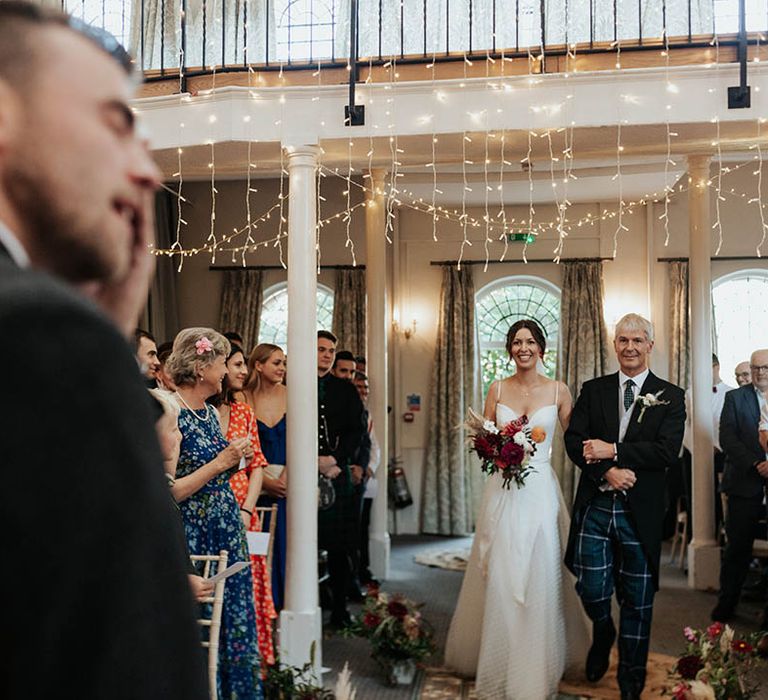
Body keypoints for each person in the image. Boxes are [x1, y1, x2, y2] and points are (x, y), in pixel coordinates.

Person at [0, 4, 206, 698]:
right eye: (117, 125)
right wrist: (97, 349)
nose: (146, 174)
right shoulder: (41, 340)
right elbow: (138, 660)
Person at [445, 320, 590, 699]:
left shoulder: (559, 390)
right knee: (504, 572)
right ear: (509, 349)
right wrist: (495, 451)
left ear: (542, 348)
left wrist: (602, 461)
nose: (522, 348)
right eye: (516, 342)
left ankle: (537, 662)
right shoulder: (497, 388)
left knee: (539, 572)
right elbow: (484, 438)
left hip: (539, 490)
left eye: (529, 342)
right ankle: (501, 656)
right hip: (504, 490)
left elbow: (575, 440)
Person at [564, 313, 685, 700]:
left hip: (642, 512)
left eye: (637, 340)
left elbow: (666, 451)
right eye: (622, 340)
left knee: (637, 601)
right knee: (592, 588)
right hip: (597, 503)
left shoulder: (671, 395)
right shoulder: (593, 389)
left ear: (650, 345)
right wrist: (608, 472)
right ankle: (602, 630)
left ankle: (630, 685)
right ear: (614, 345)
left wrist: (614, 450)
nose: (629, 347)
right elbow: (574, 441)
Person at [167, 328, 262, 700]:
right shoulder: (171, 410)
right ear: (201, 364)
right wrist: (222, 460)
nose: (225, 371)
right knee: (202, 629)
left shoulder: (207, 412)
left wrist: (236, 461)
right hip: (195, 533)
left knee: (233, 622)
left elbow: (213, 471)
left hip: (226, 530)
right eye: (222, 362)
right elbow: (168, 490)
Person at [211, 344, 277, 667]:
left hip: (243, 512)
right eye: (236, 364)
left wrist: (248, 509)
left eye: (244, 365)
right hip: (209, 513)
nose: (243, 371)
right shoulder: (201, 413)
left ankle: (251, 664)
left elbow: (258, 466)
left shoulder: (244, 413)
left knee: (246, 589)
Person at [712, 348, 768, 628]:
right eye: (756, 368)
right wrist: (758, 464)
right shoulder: (735, 398)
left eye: (765, 367)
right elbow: (727, 438)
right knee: (737, 548)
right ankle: (727, 600)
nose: (760, 373)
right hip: (745, 481)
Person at [316, 330, 367, 627]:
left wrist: (334, 460)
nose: (326, 354)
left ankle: (339, 611)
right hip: (299, 474)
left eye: (330, 350)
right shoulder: (291, 384)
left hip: (337, 472)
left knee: (340, 546)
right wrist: (312, 462)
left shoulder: (345, 390)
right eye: (321, 349)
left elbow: (356, 431)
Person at [244, 343, 288, 611]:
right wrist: (265, 482)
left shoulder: (293, 395)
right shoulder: (244, 398)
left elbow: (302, 442)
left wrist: (287, 480)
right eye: (276, 362)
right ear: (258, 365)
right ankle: (261, 612)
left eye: (284, 363)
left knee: (286, 548)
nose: (282, 368)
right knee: (260, 550)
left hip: (288, 484)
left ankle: (283, 609)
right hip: (256, 485)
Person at [354, 371, 381, 585]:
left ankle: (364, 569)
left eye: (366, 389)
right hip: (348, 474)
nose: (363, 392)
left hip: (365, 477)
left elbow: (374, 446)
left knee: (364, 528)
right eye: (359, 388)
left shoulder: (367, 415)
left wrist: (369, 468)